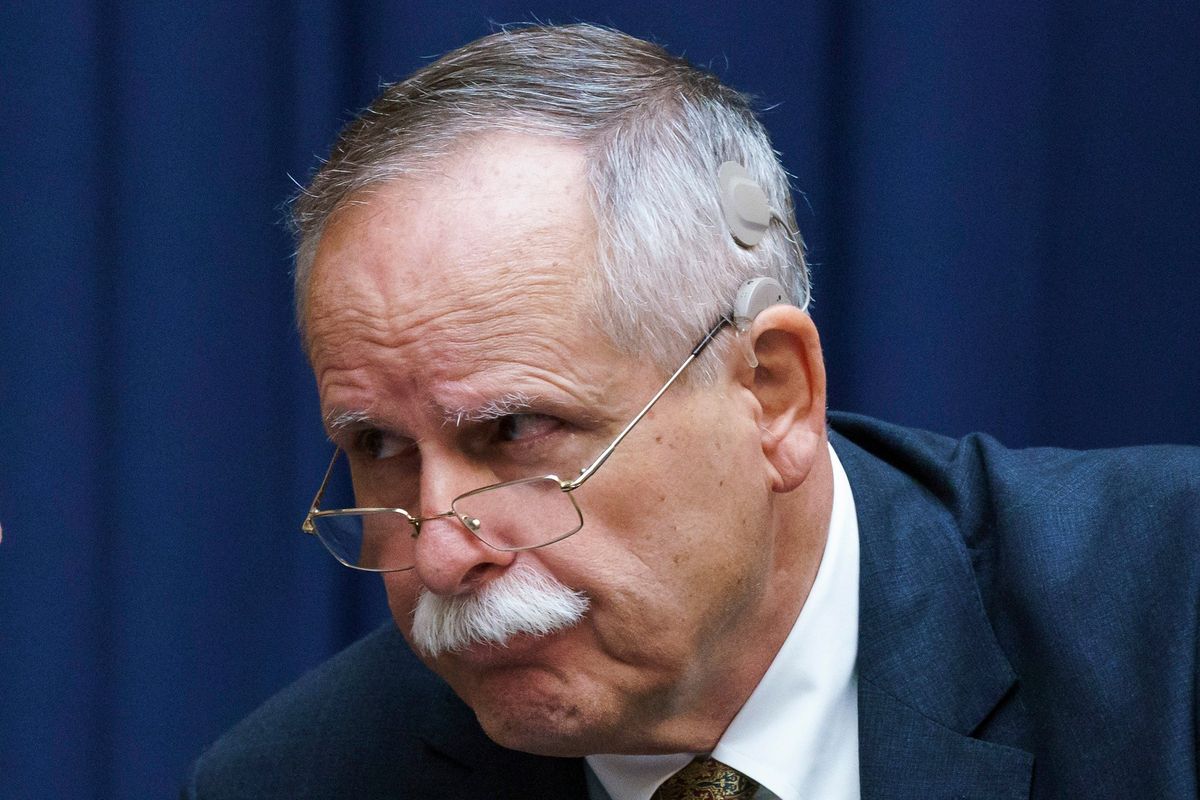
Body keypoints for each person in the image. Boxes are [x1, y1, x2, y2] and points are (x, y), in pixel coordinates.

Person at [184, 24, 1199, 800]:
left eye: (515, 432)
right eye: (378, 447)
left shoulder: (1169, 620)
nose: (441, 555)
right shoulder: (301, 777)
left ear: (773, 393)